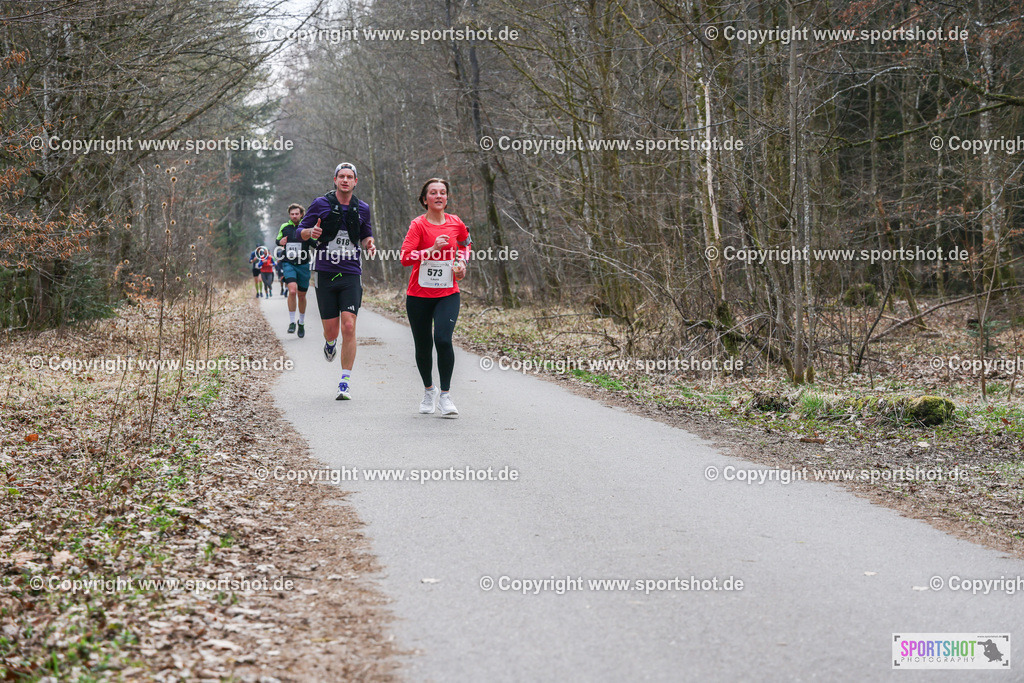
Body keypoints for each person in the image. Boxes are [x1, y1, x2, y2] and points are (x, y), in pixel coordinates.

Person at [293, 162, 376, 400]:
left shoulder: (362, 208)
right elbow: (299, 232)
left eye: (350, 177)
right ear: (335, 180)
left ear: (355, 181)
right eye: (341, 176)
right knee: (331, 331)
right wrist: (310, 233)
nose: (345, 180)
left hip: (351, 272)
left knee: (348, 326)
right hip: (325, 272)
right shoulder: (321, 204)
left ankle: (344, 382)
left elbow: (366, 234)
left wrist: (369, 244)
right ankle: (330, 343)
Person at [399, 177, 470, 417]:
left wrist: (463, 264)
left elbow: (465, 244)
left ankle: (445, 396)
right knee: (423, 345)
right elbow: (405, 257)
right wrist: (431, 250)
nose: (438, 196)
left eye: (442, 192)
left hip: (447, 293)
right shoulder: (418, 225)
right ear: (424, 199)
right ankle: (429, 390)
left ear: (447, 198)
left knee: (443, 339)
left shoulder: (456, 223)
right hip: (418, 295)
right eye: (433, 192)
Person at [277, 204, 313, 337]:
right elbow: (278, 240)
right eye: (292, 214)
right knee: (292, 291)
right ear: (289, 215)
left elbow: (315, 242)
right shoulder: (284, 227)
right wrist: (280, 242)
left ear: (301, 214)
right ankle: (292, 322)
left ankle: (301, 322)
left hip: (303, 265)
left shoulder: (306, 227)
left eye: (296, 214)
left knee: (302, 296)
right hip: (289, 263)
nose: (294, 216)